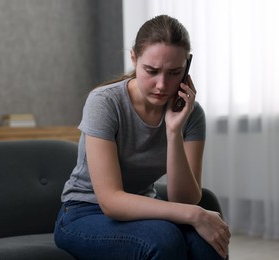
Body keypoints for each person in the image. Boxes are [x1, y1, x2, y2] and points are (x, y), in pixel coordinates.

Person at [54, 14, 231, 259]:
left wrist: (173, 132)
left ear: (187, 68)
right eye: (151, 71)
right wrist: (196, 215)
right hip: (84, 213)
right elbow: (111, 201)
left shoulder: (191, 113)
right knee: (163, 240)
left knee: (206, 243)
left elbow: (185, 198)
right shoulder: (105, 102)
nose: (162, 85)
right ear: (134, 59)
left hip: (145, 210)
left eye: (174, 72)